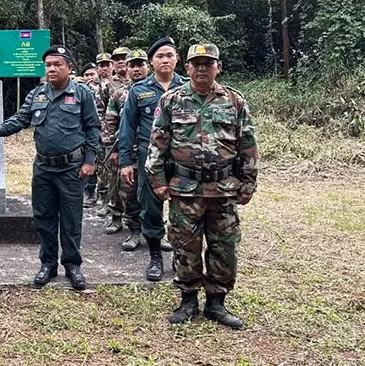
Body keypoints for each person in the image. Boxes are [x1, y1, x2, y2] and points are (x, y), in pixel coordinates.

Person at [146, 43, 258, 329]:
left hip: (223, 189)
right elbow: (158, 143)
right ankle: (188, 300)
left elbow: (248, 145)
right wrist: (158, 180)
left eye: (208, 64)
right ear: (188, 68)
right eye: (197, 64)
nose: (202, 69)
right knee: (185, 247)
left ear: (218, 67)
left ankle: (216, 303)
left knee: (225, 248)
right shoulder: (171, 101)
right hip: (185, 188)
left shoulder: (234, 101)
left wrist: (248, 183)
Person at [0, 45, 100, 290]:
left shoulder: (82, 93)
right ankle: (47, 264)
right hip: (43, 168)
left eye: (57, 64)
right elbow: (21, 119)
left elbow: (93, 128)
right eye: (48, 65)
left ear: (70, 68)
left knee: (71, 219)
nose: (52, 69)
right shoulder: (37, 94)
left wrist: (90, 160)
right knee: (43, 218)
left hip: (71, 168)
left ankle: (73, 265)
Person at [118, 37, 183, 282]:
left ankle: (179, 257)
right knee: (151, 208)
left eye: (169, 55)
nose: (165, 60)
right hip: (149, 156)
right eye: (159, 56)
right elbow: (127, 128)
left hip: (182, 157)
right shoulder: (138, 90)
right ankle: (155, 258)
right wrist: (126, 162)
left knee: (182, 210)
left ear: (177, 59)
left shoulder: (187, 88)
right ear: (152, 62)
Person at [105, 49, 149, 246]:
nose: (136, 69)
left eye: (141, 65)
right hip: (126, 150)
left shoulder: (158, 90)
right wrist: (112, 150)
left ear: (148, 66)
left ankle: (157, 230)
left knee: (155, 194)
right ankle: (134, 231)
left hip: (151, 150)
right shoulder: (118, 94)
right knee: (129, 192)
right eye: (132, 66)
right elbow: (110, 123)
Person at [93, 52, 114, 216]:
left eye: (107, 65)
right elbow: (99, 112)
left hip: (117, 133)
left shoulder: (118, 84)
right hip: (102, 133)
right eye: (101, 65)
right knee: (102, 167)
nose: (105, 68)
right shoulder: (95, 85)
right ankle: (103, 198)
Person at [81, 62, 102, 208]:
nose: (90, 77)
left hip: (105, 133)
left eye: (92, 74)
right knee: (90, 161)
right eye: (86, 75)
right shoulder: (80, 90)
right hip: (86, 133)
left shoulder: (105, 88)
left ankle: (103, 196)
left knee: (103, 166)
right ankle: (90, 193)